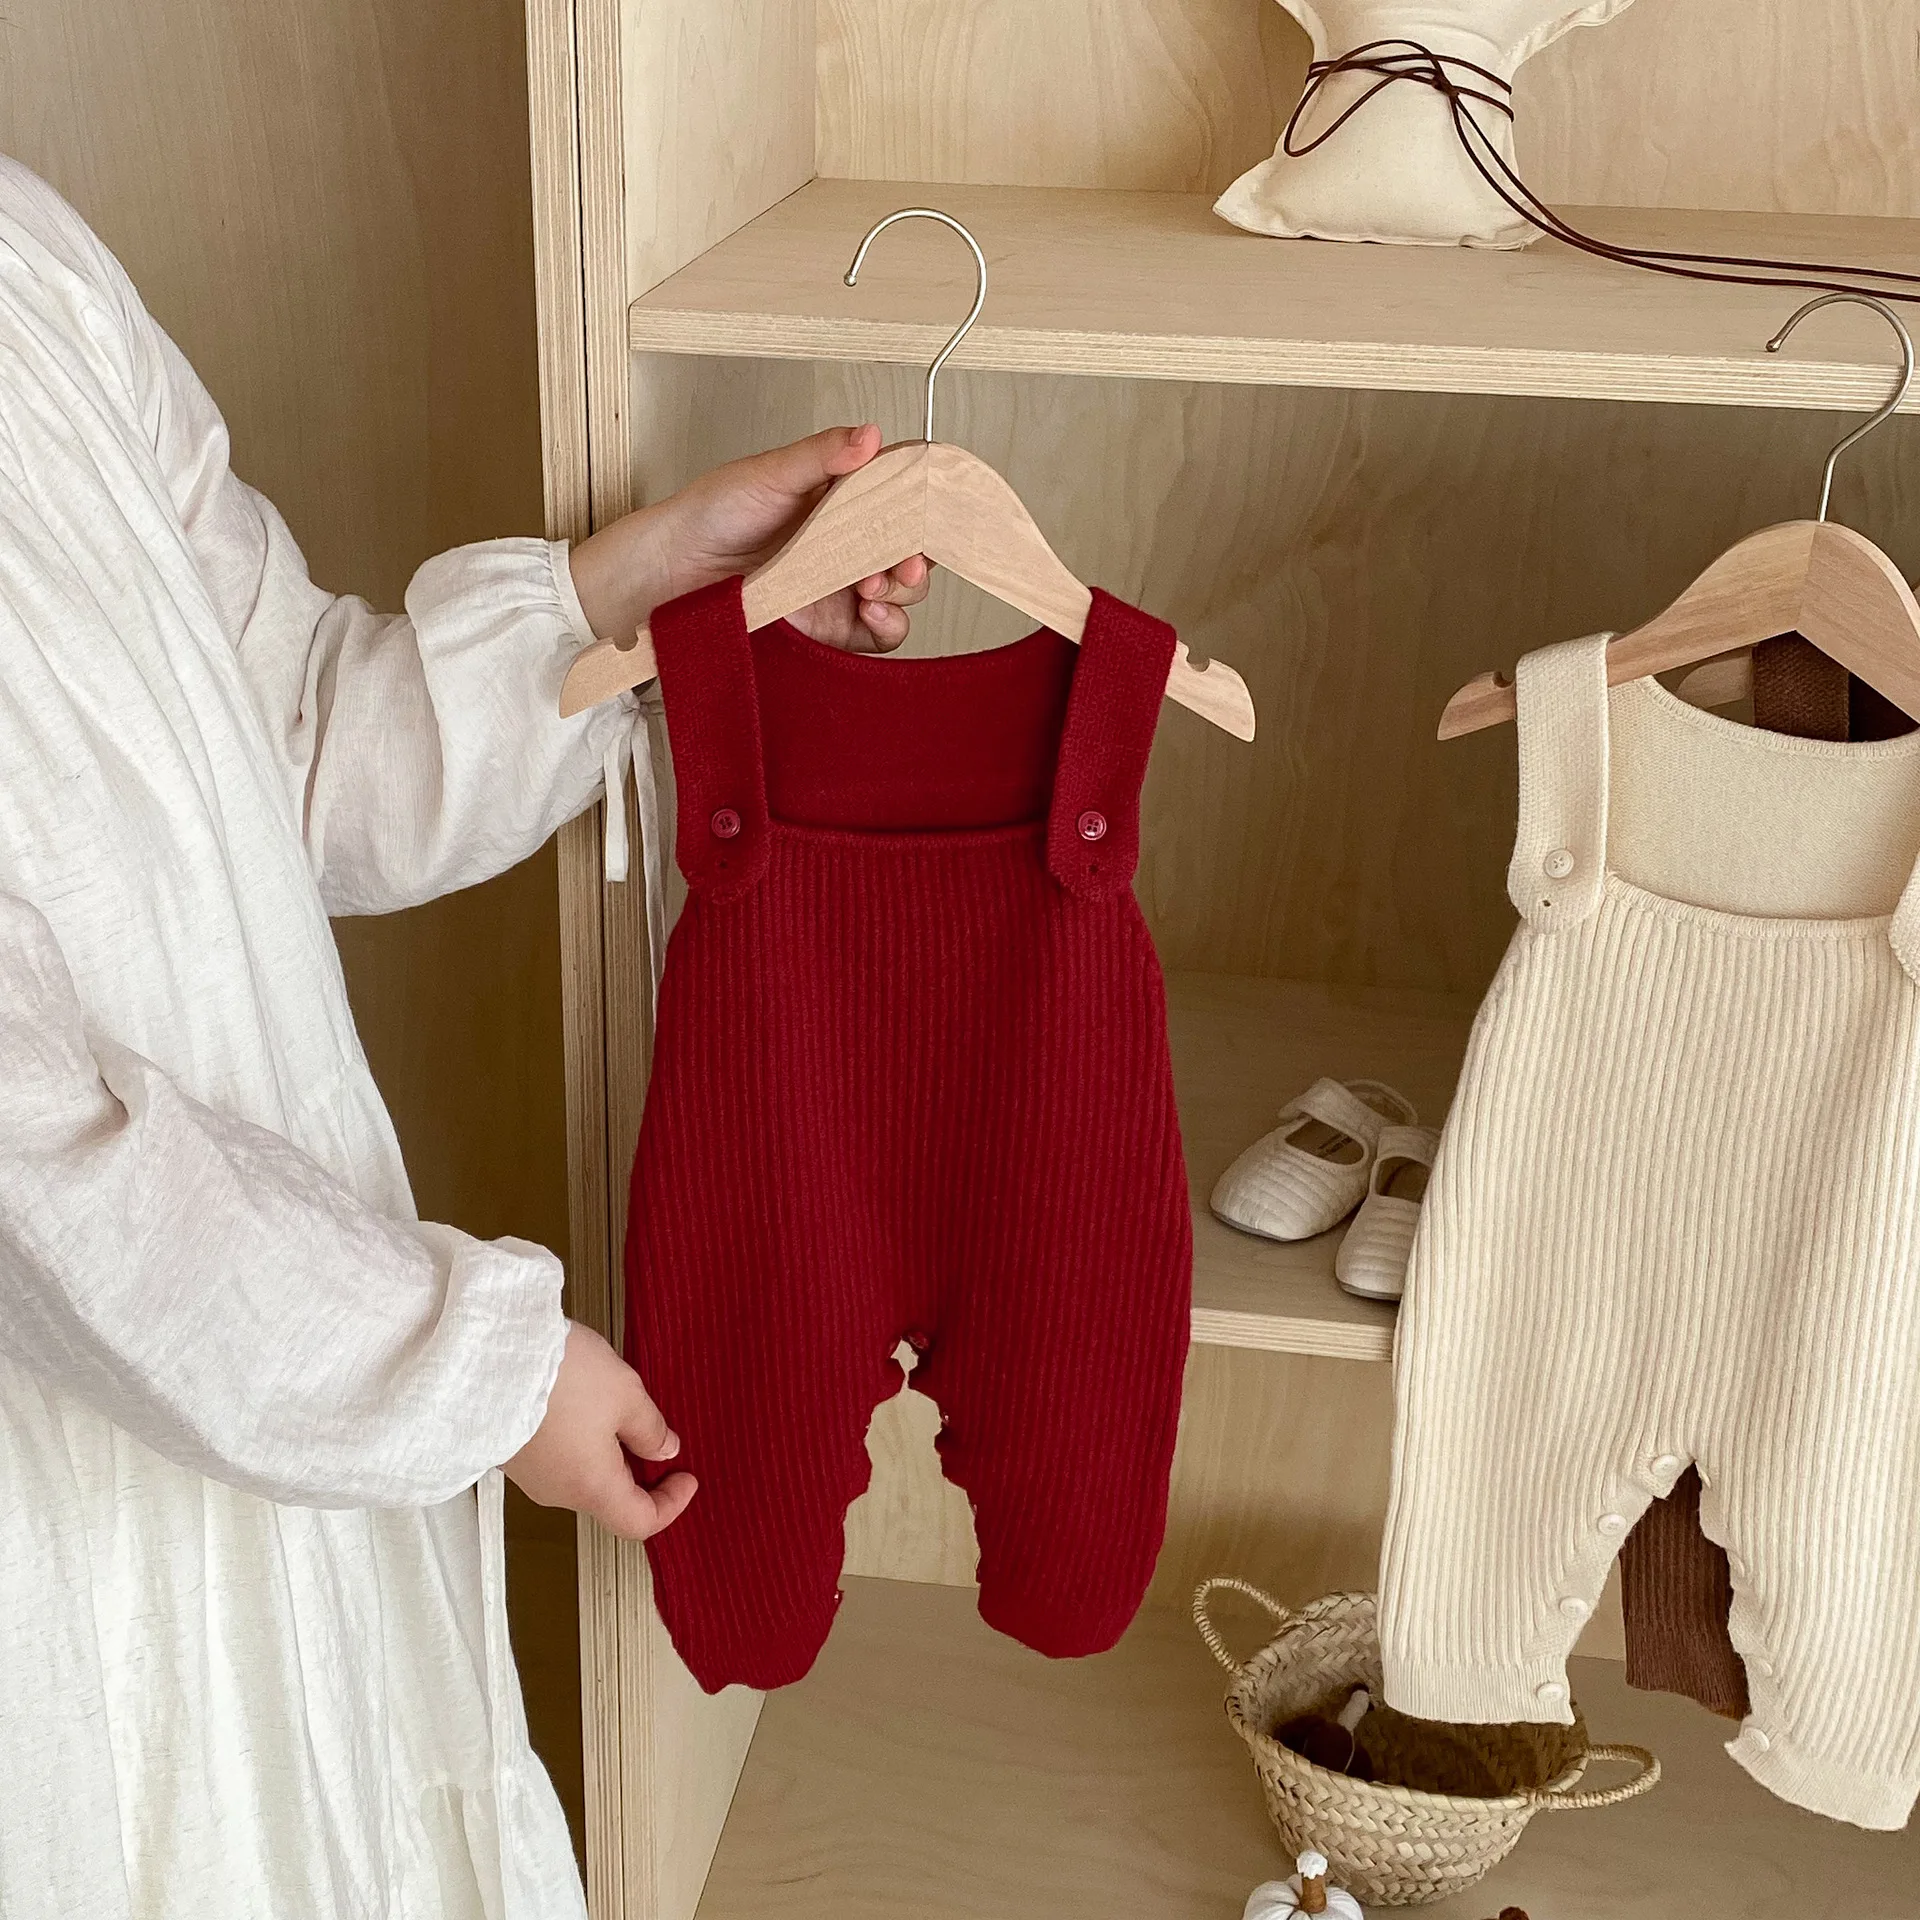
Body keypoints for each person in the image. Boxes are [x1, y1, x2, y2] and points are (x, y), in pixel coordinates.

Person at [0, 157, 928, 1919]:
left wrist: (635, 613)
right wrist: (469, 1372)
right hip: (81, 1512)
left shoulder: (21, 256)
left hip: (298, 1399)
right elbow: (40, 1178)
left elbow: (287, 738)